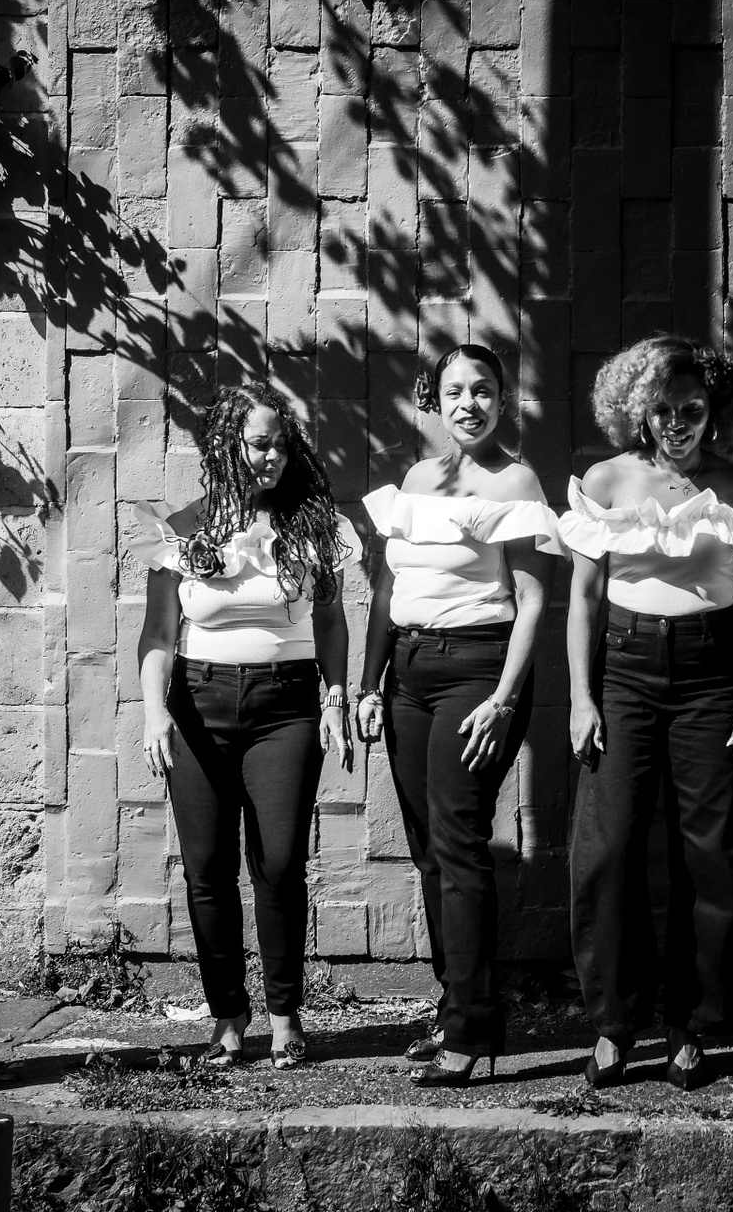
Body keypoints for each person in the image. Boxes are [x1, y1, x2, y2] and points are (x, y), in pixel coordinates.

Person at [561, 335, 733, 1092]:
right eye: (662, 409)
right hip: (624, 672)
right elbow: (584, 597)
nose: (676, 423)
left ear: (716, 411)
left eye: (692, 409)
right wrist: (582, 696)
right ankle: (613, 1023)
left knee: (713, 852)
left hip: (712, 677)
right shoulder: (607, 479)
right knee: (609, 847)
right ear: (637, 410)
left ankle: (692, 1023)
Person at [133, 383, 362, 1070]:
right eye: (260, 444)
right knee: (207, 868)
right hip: (198, 705)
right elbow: (158, 634)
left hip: (285, 706)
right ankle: (229, 1017)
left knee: (281, 863)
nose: (273, 457)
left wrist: (336, 697)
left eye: (282, 446)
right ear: (226, 444)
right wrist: (152, 712)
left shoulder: (313, 527)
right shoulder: (183, 529)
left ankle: (286, 1015)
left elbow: (330, 622)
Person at [352, 344, 563, 1085]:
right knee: (428, 851)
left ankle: (473, 1032)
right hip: (407, 674)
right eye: (454, 392)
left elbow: (533, 600)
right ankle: (453, 1006)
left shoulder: (517, 482)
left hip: (479, 672)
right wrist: (368, 684)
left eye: (482, 391)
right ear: (434, 400)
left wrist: (504, 700)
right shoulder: (416, 480)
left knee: (459, 842)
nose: (468, 404)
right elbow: (386, 591)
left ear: (503, 400)